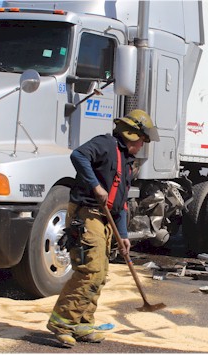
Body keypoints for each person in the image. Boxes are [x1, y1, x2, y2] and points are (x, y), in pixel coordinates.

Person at [47, 109, 159, 347]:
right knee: (90, 271)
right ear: (131, 134)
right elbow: (78, 156)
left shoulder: (128, 164)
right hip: (86, 216)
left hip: (105, 220)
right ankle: (62, 323)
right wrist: (95, 185)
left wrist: (124, 235)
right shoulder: (105, 144)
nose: (142, 146)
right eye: (141, 140)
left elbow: (120, 204)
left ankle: (83, 323)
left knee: (100, 274)